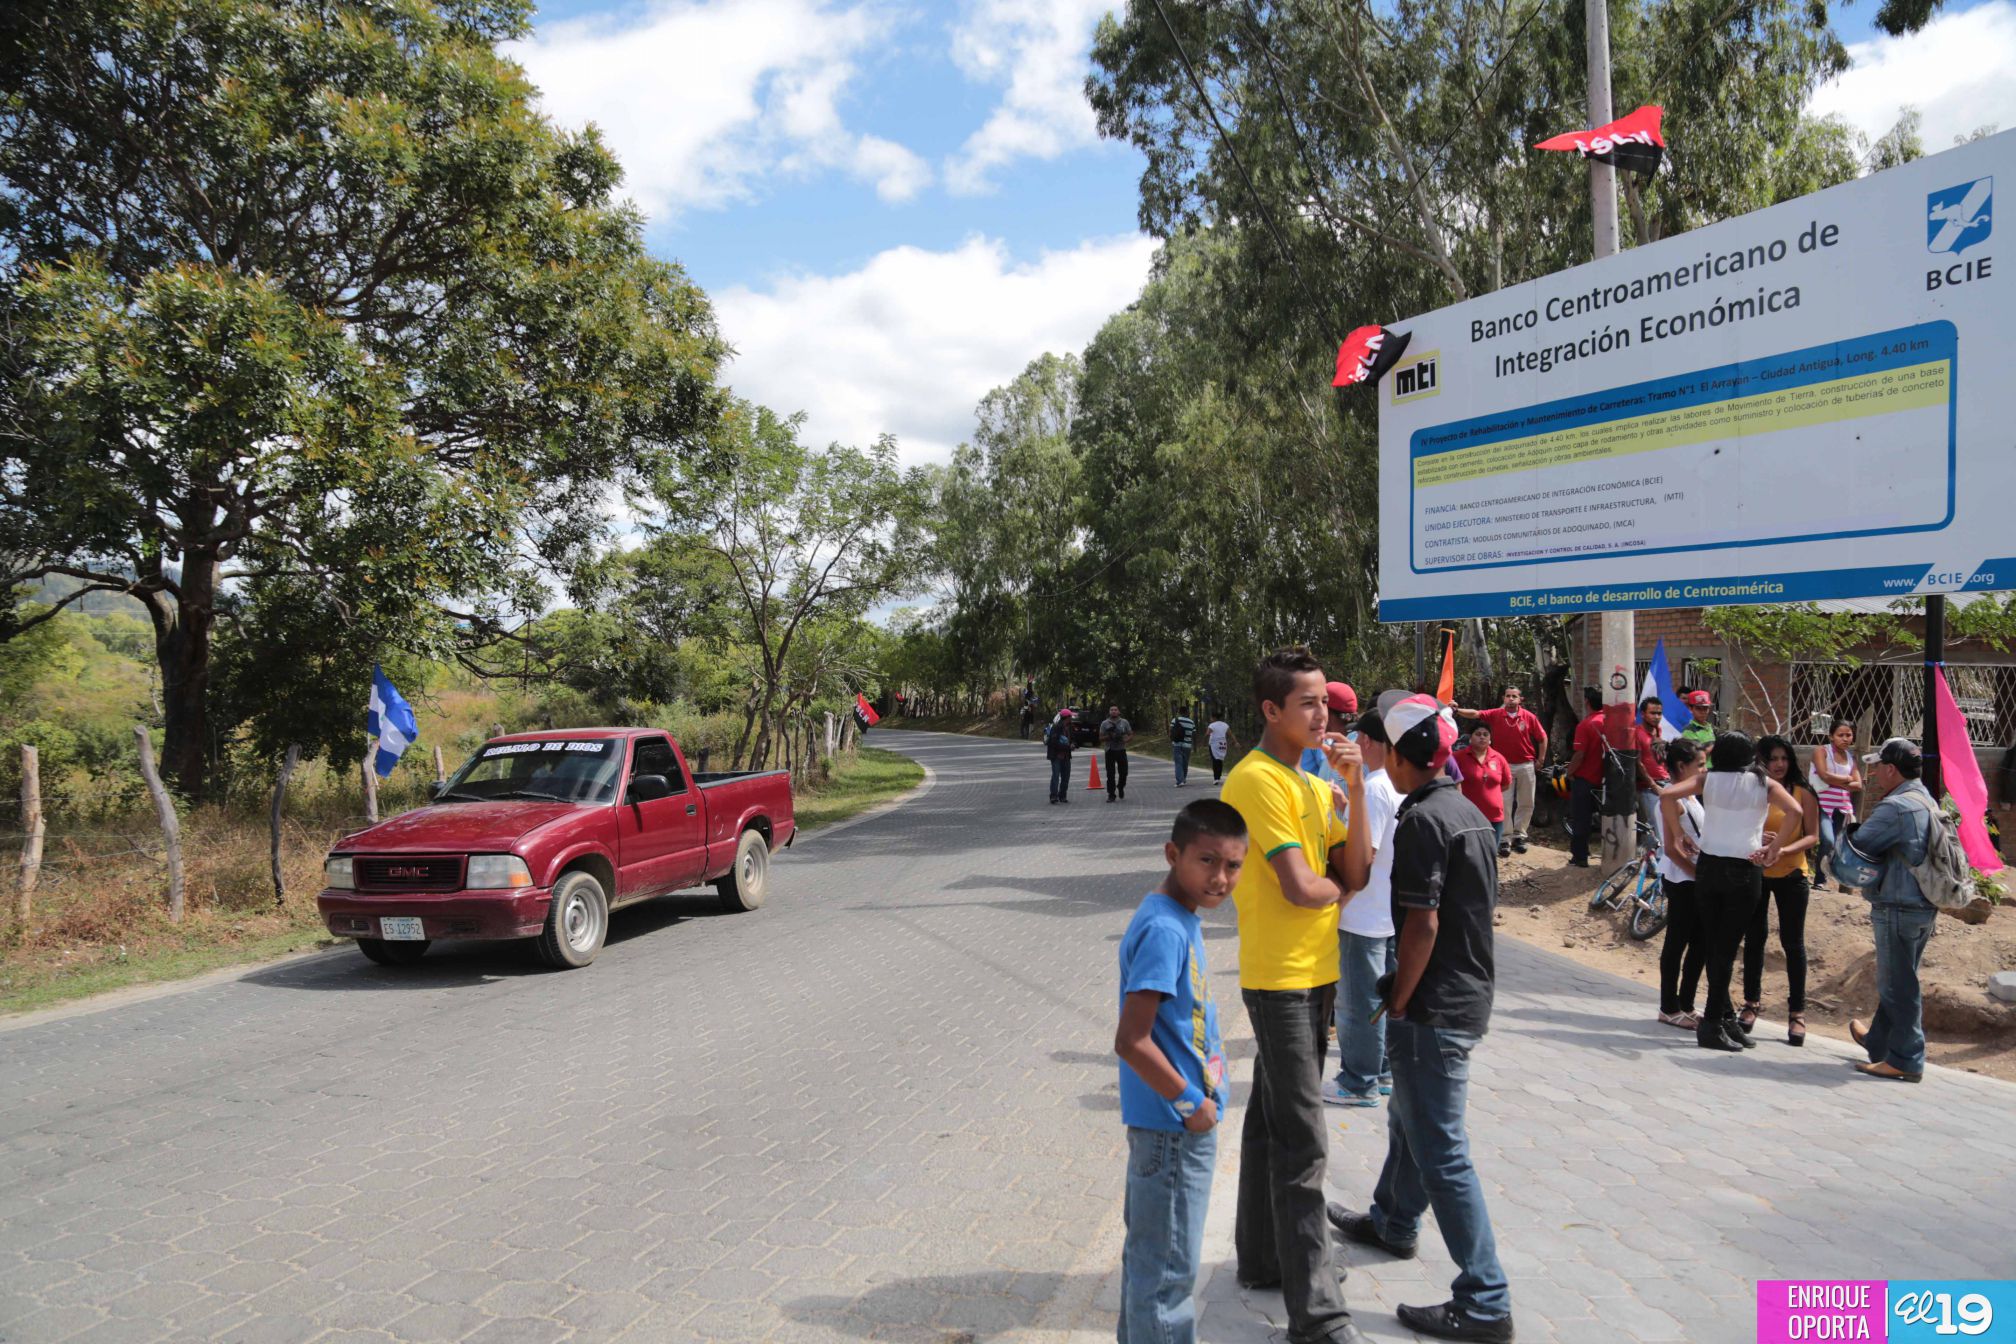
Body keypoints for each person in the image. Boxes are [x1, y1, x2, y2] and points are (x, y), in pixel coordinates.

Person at [1327, 695, 1512, 1344]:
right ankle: (1394, 1221)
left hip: (1435, 1007)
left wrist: (1399, 998)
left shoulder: (1422, 822)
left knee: (1442, 1149)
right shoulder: (1465, 811)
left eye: (1384, 748)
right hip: (1465, 995)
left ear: (1403, 758)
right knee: (1408, 1119)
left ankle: (1485, 1299)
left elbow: (1423, 924)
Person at [1222, 647, 1369, 1344]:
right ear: (1270, 710)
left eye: (1328, 704)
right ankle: (1319, 1317)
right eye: (1307, 703)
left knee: (1269, 1119)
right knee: (1303, 1143)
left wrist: (1359, 788)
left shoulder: (1313, 781)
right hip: (1278, 977)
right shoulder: (1256, 781)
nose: (1324, 715)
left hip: (1319, 971)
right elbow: (1305, 887)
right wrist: (1340, 887)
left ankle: (1259, 1258)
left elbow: (1357, 866)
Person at [1114, 799, 1245, 1344]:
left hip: (1174, 1127)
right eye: (1207, 861)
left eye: (1233, 866)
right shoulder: (1166, 930)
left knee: (1154, 1267)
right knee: (1167, 1279)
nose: (1220, 878)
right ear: (1173, 854)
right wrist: (1193, 1104)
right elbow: (1132, 1040)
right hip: (1174, 1129)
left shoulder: (1175, 915)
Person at [1662, 732, 1801, 1052]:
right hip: (1743, 870)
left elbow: (1668, 795)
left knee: (1715, 945)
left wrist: (1679, 833)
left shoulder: (1706, 779)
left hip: (1709, 869)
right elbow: (1795, 812)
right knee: (1726, 948)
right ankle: (1712, 1023)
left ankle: (1724, 1018)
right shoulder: (1762, 783)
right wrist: (1774, 849)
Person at [1844, 738, 1939, 1083]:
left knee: (1898, 985)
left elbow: (1860, 844)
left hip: (1898, 905)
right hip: (1922, 905)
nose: (1874, 773)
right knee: (1901, 976)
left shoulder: (1896, 807)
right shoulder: (1925, 798)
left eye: (1878, 766)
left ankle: (1906, 1059)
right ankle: (1880, 1042)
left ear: (1890, 769)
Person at [1323, 706, 1401, 1109]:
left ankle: (1358, 1081)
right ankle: (1383, 1070)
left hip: (1362, 914)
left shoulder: (1372, 789)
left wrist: (1336, 905)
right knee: (1380, 998)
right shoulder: (1396, 783)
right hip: (1387, 912)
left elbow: (1362, 859)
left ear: (1367, 742)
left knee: (1357, 1003)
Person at [1742, 735, 1821, 1046]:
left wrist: (1783, 847)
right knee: (1754, 939)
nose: (1778, 764)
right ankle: (1750, 1004)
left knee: (1793, 943)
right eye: (1772, 759)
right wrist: (1759, 839)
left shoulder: (1802, 792)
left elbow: (1812, 836)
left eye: (1783, 758)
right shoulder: (1753, 790)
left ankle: (1797, 1013)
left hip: (1792, 874)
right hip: (1757, 873)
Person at [1453, 686, 1547, 854]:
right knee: (1505, 802)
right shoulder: (1496, 714)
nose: (1511, 699)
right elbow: (1476, 714)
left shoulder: (1529, 717)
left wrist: (1540, 759)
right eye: (1508, 696)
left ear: (1520, 700)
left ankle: (1520, 836)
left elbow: (1542, 738)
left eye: (1514, 696)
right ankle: (1505, 838)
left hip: (1526, 764)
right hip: (1501, 765)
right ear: (1503, 698)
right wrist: (1456, 709)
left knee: (1527, 802)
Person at [1655, 738, 1708, 1029]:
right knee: (1677, 942)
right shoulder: (1671, 798)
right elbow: (1672, 848)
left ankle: (1686, 1003)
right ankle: (1668, 1006)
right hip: (1682, 878)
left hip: (1696, 876)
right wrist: (1698, 875)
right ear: (1681, 766)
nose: (1703, 771)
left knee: (1699, 944)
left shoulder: (1689, 797)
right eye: (1699, 765)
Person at [1809, 719, 1861, 890]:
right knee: (1828, 840)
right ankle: (1819, 881)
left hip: (1843, 807)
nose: (1845, 738)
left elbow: (1858, 785)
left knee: (1838, 846)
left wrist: (1835, 780)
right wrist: (1847, 780)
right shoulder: (1821, 751)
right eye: (1841, 735)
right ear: (1831, 736)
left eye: (1849, 735)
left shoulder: (1850, 758)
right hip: (1822, 804)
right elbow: (1824, 775)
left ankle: (1830, 880)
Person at [1563, 687, 1606, 868]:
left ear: (1587, 702)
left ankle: (1580, 856)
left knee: (1581, 818)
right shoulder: (1610, 721)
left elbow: (1579, 755)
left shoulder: (1586, 725)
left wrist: (1569, 772)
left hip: (1586, 780)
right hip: (1606, 780)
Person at [1456, 724, 1511, 854]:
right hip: (1468, 816)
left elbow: (1506, 784)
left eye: (1485, 734)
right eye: (1478, 734)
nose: (1482, 737)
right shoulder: (1457, 757)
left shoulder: (1499, 758)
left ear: (1490, 739)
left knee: (1490, 854)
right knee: (1470, 854)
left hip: (1494, 816)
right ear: (1470, 738)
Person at [1636, 698, 1672, 845]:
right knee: (1653, 827)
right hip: (1649, 788)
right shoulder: (1637, 733)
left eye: (1659, 713)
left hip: (1665, 782)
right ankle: (1653, 864)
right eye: (1653, 713)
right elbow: (1637, 763)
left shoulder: (1658, 730)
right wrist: (1653, 785)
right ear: (1643, 714)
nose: (1657, 717)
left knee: (1666, 826)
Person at [1102, 705, 1135, 802]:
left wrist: (1125, 740)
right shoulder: (1105, 723)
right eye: (1111, 710)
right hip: (1110, 750)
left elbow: (1131, 734)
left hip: (1121, 750)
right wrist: (1109, 736)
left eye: (1115, 710)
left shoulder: (1124, 722)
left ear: (1119, 712)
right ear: (1109, 712)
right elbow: (1100, 737)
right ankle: (1111, 794)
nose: (1113, 711)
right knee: (1110, 774)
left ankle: (1120, 787)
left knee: (1124, 772)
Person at [1046, 710, 1076, 805]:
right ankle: (1053, 796)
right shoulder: (1056, 727)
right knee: (1055, 776)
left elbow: (1075, 739)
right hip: (1056, 756)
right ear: (1066, 718)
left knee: (1066, 776)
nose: (1071, 719)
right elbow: (1053, 743)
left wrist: (1074, 744)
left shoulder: (1071, 727)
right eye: (1070, 717)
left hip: (1066, 756)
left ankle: (1062, 795)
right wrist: (1068, 747)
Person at [1170, 705, 1198, 787]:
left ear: (1179, 712)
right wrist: (1195, 747)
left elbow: (1171, 731)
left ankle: (1180, 781)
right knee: (1185, 763)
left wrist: (1172, 741)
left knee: (1178, 763)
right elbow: (1194, 734)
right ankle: (1183, 779)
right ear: (1186, 712)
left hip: (1177, 744)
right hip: (1187, 746)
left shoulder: (1175, 720)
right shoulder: (1191, 722)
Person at [1206, 712, 1235, 785]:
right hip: (1223, 744)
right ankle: (1218, 776)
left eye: (1211, 718)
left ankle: (1216, 778)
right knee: (1220, 759)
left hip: (1214, 744)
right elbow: (1230, 734)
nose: (1211, 719)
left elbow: (1207, 733)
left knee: (1214, 760)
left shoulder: (1212, 725)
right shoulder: (1225, 725)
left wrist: (1204, 740)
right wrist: (1236, 742)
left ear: (1214, 718)